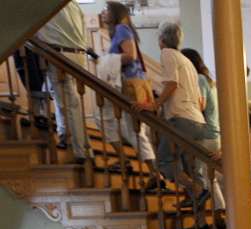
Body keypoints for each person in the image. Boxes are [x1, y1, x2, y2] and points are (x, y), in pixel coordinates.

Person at [132, 22, 208, 209]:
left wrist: (154, 105)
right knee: (190, 168)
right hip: (198, 122)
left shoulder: (167, 54)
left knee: (165, 160)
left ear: (161, 39)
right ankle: (199, 211)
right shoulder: (187, 61)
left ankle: (197, 191)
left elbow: (172, 84)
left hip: (182, 119)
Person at [99, 1, 159, 187]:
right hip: (124, 84)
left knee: (133, 129)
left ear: (116, 13)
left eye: (107, 9)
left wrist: (106, 59)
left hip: (128, 84)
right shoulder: (120, 30)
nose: (103, 12)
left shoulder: (122, 28)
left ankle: (153, 172)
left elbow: (131, 55)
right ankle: (131, 161)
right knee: (110, 120)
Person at [34, 0, 91, 162]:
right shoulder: (72, 3)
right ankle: (65, 133)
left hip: (60, 54)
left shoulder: (44, 5)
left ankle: (82, 150)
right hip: (78, 53)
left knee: (70, 104)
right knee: (64, 99)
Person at [180, 48, 225, 229]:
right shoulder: (208, 80)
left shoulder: (198, 79)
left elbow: (200, 105)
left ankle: (204, 221)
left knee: (200, 179)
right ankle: (218, 216)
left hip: (204, 134)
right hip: (213, 134)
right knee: (208, 178)